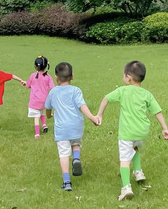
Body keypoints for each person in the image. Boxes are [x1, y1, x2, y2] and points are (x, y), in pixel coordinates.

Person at [97, 60, 168, 201]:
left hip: (127, 133)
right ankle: (138, 171)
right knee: (135, 148)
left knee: (124, 159)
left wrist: (99, 114)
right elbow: (157, 111)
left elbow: (106, 99)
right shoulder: (147, 94)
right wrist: (165, 128)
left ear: (128, 77)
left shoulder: (122, 91)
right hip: (142, 132)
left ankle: (126, 188)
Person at [45, 62, 99, 191]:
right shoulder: (76, 90)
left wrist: (49, 116)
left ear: (56, 78)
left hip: (61, 129)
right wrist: (92, 117)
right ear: (72, 77)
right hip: (76, 126)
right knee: (76, 144)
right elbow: (82, 106)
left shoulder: (53, 92)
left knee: (63, 154)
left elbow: (47, 108)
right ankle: (76, 159)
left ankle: (67, 182)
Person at [26, 55, 54, 139]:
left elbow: (28, 85)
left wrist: (25, 83)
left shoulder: (33, 75)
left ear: (35, 66)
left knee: (36, 117)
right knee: (41, 112)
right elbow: (52, 88)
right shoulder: (48, 77)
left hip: (35, 101)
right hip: (44, 101)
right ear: (46, 66)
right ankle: (44, 125)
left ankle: (37, 134)